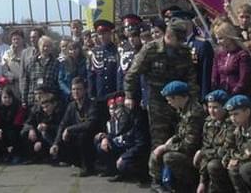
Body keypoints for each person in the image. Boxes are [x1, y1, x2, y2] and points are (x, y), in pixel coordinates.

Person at [124, 20, 199, 149]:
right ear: (169, 36)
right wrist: (129, 95)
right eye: (179, 40)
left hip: (179, 100)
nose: (182, 43)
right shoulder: (150, 49)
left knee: (180, 137)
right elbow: (132, 73)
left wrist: (192, 98)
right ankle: (157, 168)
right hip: (157, 100)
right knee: (159, 140)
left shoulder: (184, 51)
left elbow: (191, 76)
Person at [149, 80, 205, 193]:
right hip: (185, 148)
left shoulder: (194, 113)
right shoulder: (183, 109)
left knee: (169, 157)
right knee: (156, 152)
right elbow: (181, 133)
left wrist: (166, 147)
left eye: (170, 99)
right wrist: (170, 141)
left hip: (195, 154)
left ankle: (187, 186)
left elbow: (189, 145)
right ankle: (158, 183)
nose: (169, 103)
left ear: (179, 97)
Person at [94, 91, 150, 183]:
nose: (116, 111)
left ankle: (137, 175)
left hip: (134, 151)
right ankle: (115, 171)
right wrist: (105, 138)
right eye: (114, 108)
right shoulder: (114, 120)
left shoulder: (137, 119)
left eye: (119, 108)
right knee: (101, 144)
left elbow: (141, 144)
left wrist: (125, 156)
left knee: (124, 164)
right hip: (122, 147)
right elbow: (114, 135)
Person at [50, 77, 100, 177]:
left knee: (82, 135)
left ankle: (88, 167)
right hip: (78, 136)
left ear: (85, 90)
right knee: (63, 141)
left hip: (92, 136)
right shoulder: (71, 106)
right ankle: (77, 163)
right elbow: (63, 124)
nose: (75, 92)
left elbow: (89, 125)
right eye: (73, 89)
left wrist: (69, 129)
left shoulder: (92, 104)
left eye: (79, 89)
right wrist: (56, 143)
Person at [222, 94, 251, 193]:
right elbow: (228, 148)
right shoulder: (236, 127)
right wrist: (231, 158)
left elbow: (249, 153)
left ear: (247, 112)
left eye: (236, 114)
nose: (232, 118)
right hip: (242, 160)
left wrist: (235, 159)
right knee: (222, 164)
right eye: (230, 115)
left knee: (235, 169)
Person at [194, 89, 231, 193]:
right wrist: (202, 181)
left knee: (213, 165)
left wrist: (202, 153)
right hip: (211, 161)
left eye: (215, 107)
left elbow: (224, 151)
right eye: (209, 107)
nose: (211, 111)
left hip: (227, 163)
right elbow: (207, 148)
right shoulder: (209, 123)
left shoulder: (231, 123)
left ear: (224, 107)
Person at [211, 22, 251, 98]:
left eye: (221, 38)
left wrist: (233, 94)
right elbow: (214, 76)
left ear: (229, 36)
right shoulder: (218, 54)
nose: (218, 42)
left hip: (239, 96)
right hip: (222, 95)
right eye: (217, 39)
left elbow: (243, 80)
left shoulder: (242, 55)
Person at [22, 90, 64, 164]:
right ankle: (32, 156)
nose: (45, 109)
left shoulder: (59, 112)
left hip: (55, 138)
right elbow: (27, 123)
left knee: (46, 133)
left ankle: (57, 155)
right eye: (43, 107)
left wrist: (47, 127)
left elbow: (61, 128)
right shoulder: (37, 112)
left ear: (54, 104)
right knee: (25, 133)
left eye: (47, 106)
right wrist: (31, 129)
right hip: (41, 138)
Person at [0, 86, 25, 163]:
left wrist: (2, 130)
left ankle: (16, 154)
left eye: (9, 97)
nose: (7, 100)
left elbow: (17, 123)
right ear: (1, 97)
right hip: (0, 127)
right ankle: (2, 154)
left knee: (13, 134)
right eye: (5, 97)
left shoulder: (17, 104)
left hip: (14, 128)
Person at [20, 35, 60, 108]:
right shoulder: (31, 62)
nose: (45, 48)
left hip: (49, 102)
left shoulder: (56, 63)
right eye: (43, 46)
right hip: (33, 101)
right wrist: (24, 99)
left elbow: (57, 83)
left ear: (51, 48)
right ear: (39, 46)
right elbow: (26, 81)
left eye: (48, 46)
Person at [87, 20, 119, 102]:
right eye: (100, 34)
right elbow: (91, 75)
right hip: (99, 93)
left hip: (114, 93)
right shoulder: (95, 52)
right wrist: (91, 94)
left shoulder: (117, 50)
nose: (102, 37)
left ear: (110, 33)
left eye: (104, 34)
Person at [1, 29, 25, 100]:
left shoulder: (29, 52)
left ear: (22, 39)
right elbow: (4, 69)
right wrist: (12, 76)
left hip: (26, 84)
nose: (16, 41)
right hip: (13, 85)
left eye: (18, 39)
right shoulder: (7, 53)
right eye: (14, 39)